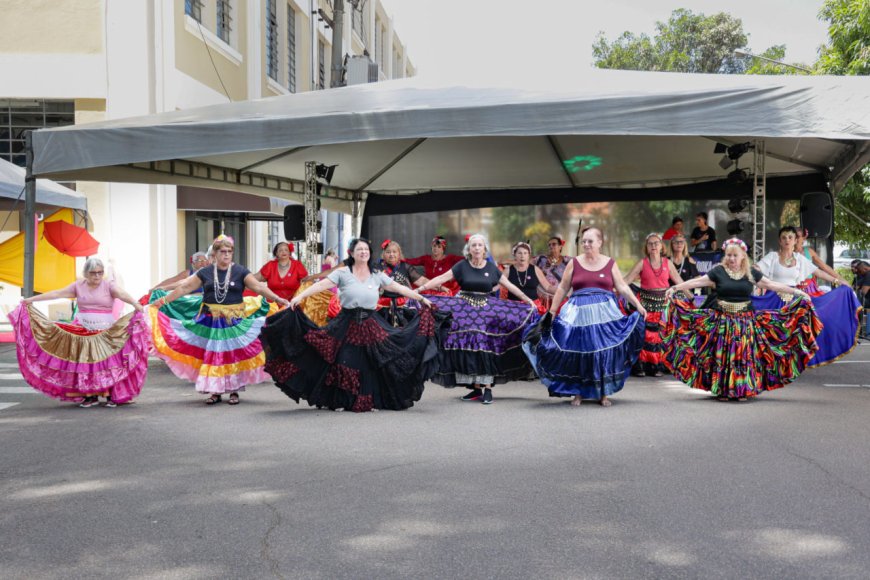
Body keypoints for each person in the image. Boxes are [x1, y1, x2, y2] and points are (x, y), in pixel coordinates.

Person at [260, 237, 448, 412]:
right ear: (352, 253)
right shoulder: (343, 272)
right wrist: (299, 298)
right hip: (345, 322)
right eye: (359, 249)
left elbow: (399, 288)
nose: (363, 252)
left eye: (366, 249)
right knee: (343, 361)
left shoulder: (376, 274)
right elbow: (320, 285)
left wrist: (422, 299)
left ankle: (371, 399)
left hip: (370, 322)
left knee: (371, 361)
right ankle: (342, 399)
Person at [663, 238, 822, 401]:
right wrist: (676, 287)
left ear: (743, 257)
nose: (731, 259)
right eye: (729, 255)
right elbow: (698, 281)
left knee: (743, 356)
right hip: (723, 321)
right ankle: (723, 389)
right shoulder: (719, 271)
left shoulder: (751, 273)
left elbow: (773, 285)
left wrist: (799, 293)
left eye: (735, 255)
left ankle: (743, 389)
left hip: (745, 322)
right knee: (723, 356)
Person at [147, 234, 289, 405]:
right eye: (223, 251)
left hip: (233, 322)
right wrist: (163, 301)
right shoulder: (205, 272)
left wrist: (278, 299)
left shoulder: (240, 271)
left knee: (232, 356)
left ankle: (234, 391)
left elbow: (258, 287)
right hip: (210, 322)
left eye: (229, 251)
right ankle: (215, 391)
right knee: (214, 357)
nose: (227, 255)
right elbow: (185, 287)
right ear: (215, 254)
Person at [523, 227, 646, 407]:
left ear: (599, 242)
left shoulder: (610, 263)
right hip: (578, 315)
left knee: (603, 352)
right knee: (579, 351)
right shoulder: (575, 263)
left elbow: (622, 287)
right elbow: (563, 288)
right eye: (584, 241)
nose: (586, 244)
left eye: (590, 241)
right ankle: (578, 393)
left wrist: (638, 305)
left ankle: (603, 392)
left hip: (605, 316)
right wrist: (552, 312)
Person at [10, 258, 149, 408]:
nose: (97, 276)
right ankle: (90, 396)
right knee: (85, 362)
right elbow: (57, 293)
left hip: (105, 330)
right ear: (86, 273)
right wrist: (31, 300)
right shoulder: (78, 286)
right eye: (93, 273)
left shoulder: (109, 285)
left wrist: (135, 304)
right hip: (82, 329)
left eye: (100, 272)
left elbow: (123, 295)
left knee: (106, 363)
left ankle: (109, 395)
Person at [417, 233, 539, 405]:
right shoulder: (462, 266)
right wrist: (420, 290)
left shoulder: (491, 268)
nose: (476, 248)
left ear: (484, 249)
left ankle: (487, 388)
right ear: (469, 249)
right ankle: (475, 389)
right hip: (464, 312)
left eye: (479, 245)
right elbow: (441, 278)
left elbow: (509, 285)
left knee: (485, 347)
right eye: (473, 245)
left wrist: (527, 300)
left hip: (486, 313)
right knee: (470, 347)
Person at [752, 226, 861, 366]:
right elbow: (757, 268)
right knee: (770, 330)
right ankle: (767, 362)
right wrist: (751, 269)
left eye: (790, 237)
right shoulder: (772, 257)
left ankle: (793, 363)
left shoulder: (799, 259)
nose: (787, 240)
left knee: (808, 326)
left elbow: (819, 272)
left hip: (795, 298)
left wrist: (838, 281)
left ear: (795, 240)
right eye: (784, 238)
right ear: (779, 241)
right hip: (774, 297)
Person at [624, 233, 685, 377]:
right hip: (645, 306)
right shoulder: (642, 263)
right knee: (644, 335)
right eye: (650, 244)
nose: (653, 246)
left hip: (663, 306)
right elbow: (626, 280)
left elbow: (680, 282)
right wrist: (610, 288)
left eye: (656, 243)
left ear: (661, 246)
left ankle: (657, 365)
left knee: (661, 336)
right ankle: (641, 366)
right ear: (646, 247)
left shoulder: (667, 263)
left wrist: (691, 298)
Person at [503, 241, 555, 314]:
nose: (522, 256)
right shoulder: (508, 270)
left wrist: (563, 291)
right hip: (513, 308)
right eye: (519, 253)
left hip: (533, 307)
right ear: (514, 255)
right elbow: (497, 285)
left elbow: (548, 287)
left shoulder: (535, 269)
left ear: (528, 255)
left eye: (525, 253)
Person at [795, 227, 850, 294]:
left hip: (809, 288)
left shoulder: (809, 252)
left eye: (797, 236)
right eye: (792, 236)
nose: (795, 238)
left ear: (804, 238)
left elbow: (824, 267)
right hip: (792, 288)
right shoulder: (785, 254)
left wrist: (841, 280)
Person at [533, 235, 572, 307]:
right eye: (549, 245)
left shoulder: (568, 260)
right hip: (544, 299)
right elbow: (525, 263)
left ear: (560, 246)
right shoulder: (541, 259)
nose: (551, 246)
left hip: (562, 298)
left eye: (554, 244)